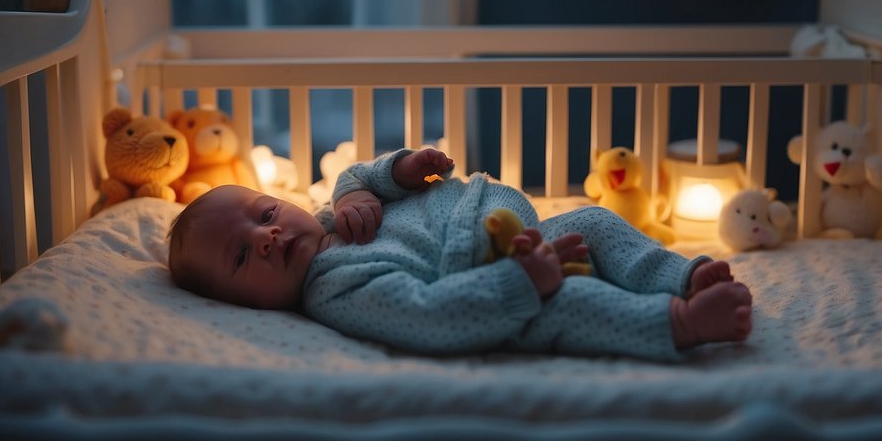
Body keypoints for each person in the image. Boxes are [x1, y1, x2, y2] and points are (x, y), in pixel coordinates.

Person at [167, 147, 753, 361]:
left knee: (597, 221)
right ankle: (679, 323)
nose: (267, 237)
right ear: (242, 304)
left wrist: (392, 173)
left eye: (265, 214)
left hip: (520, 234)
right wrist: (524, 285)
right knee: (574, 304)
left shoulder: (337, 212)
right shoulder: (333, 287)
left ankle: (683, 276)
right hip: (504, 285)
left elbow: (355, 173)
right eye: (242, 258)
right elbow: (429, 314)